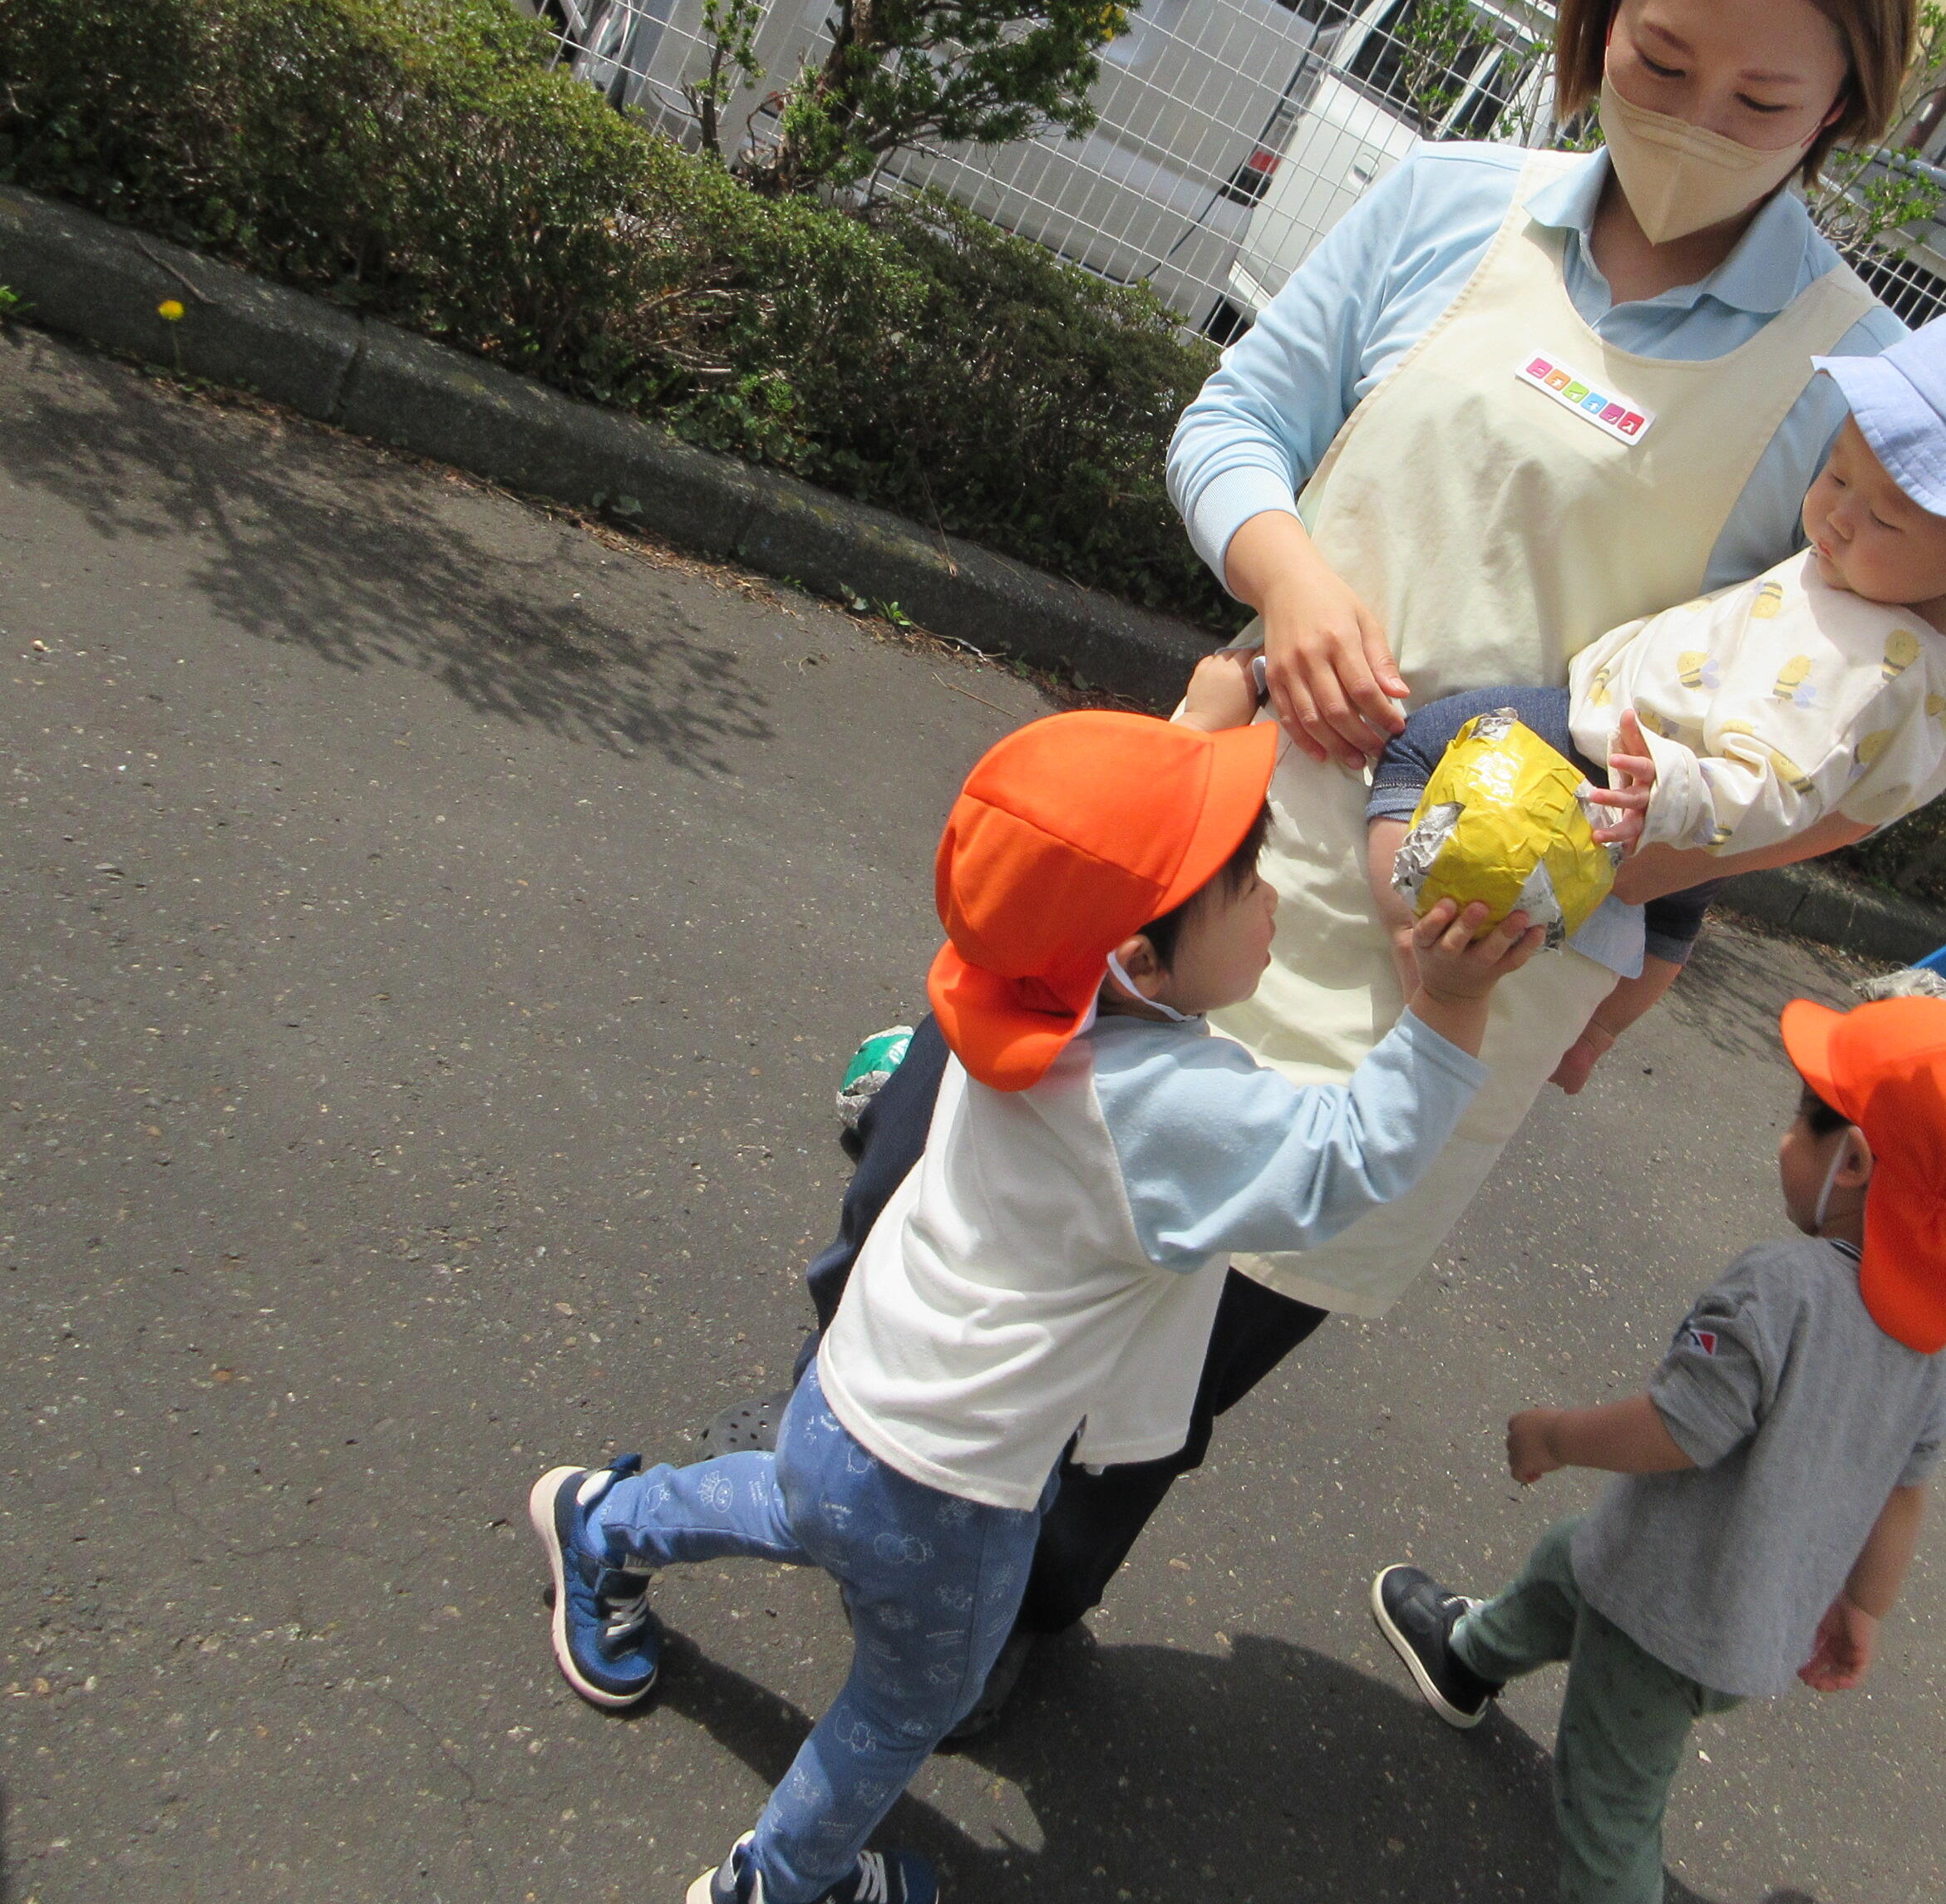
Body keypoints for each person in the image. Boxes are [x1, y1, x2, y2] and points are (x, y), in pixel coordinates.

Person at [717, 0, 1946, 1729]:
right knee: (961, 1197)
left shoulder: (1861, 390)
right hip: (1218, 818)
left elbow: (1816, 726)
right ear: (1596, 10)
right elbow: (1237, 421)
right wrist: (1287, 580)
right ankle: (829, 1481)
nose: (1697, 114)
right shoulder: (1455, 203)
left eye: (1764, 94)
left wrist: (1664, 905)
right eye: (1658, 57)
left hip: (1471, 947)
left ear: (1850, 99)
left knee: (1194, 1346)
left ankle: (1006, 1628)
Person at [525, 711, 1540, 1904]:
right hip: (953, 1488)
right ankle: (781, 1881)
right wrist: (1450, 1003)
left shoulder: (1013, 987)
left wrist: (1211, 706)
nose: (1279, 902)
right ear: (1139, 965)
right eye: (1250, 882)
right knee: (911, 1702)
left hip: (853, 1394)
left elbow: (1086, 849)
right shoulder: (1162, 1106)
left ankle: (599, 1522)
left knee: (795, 1506)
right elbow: (1349, 1158)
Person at [1216, 302, 1946, 1091]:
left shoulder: (1854, 656)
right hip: (1700, 801)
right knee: (1675, 918)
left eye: (1877, 514)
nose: (1834, 516)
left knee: (1432, 739)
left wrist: (1663, 795)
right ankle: (1595, 1036)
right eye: (1836, 473)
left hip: (1639, 758)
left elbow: (1772, 783)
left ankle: (1406, 927)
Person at [1367, 995, 1946, 1904]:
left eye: (1798, 1120)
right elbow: (1907, 1492)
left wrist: (1557, 1435)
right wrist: (1862, 1609)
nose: (1782, 1143)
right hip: (1756, 1616)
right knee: (1569, 1562)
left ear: (1850, 1162)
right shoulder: (1930, 1344)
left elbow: (1681, 1430)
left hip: (1664, 1614)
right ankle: (1470, 1654)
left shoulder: (1782, 1288)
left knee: (1608, 1810)